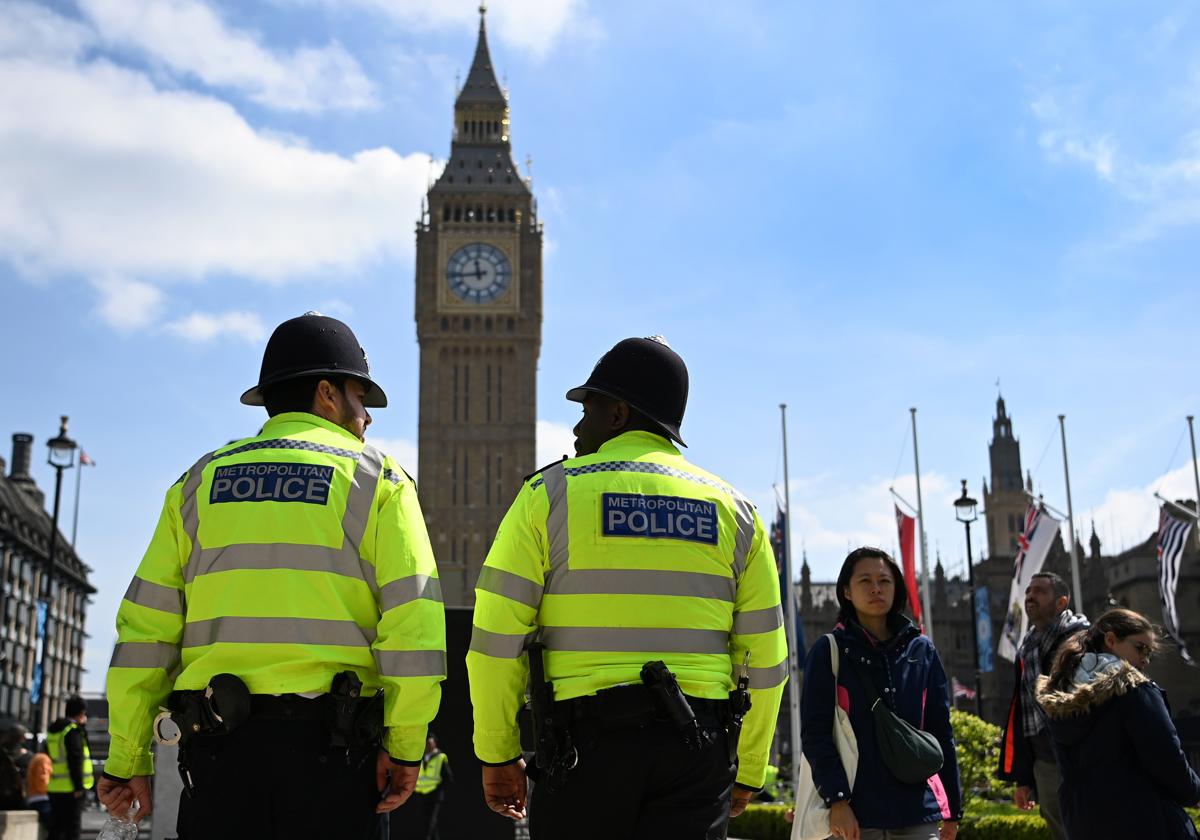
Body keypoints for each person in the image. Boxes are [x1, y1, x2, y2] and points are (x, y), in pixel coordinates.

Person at [96, 313, 447, 840]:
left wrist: (127, 758)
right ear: (326, 393)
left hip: (218, 757)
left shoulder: (198, 482)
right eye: (360, 397)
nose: (367, 417)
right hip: (336, 760)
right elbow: (413, 631)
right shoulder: (379, 480)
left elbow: (145, 632)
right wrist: (404, 747)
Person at [466, 336, 788, 840]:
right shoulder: (736, 512)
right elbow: (766, 659)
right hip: (697, 751)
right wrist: (747, 767)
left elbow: (494, 643)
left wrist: (498, 752)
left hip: (583, 749)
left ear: (617, 414)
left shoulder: (549, 495)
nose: (576, 428)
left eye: (587, 410)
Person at [800, 547, 961, 840]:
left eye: (884, 581)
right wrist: (837, 800)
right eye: (865, 581)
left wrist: (952, 809)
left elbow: (940, 730)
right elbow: (816, 733)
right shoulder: (829, 651)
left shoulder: (922, 650)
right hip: (856, 814)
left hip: (917, 810)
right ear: (846, 591)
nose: (876, 588)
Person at [1037, 608, 1200, 839]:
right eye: (1141, 648)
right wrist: (1194, 792)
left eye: (1149, 653)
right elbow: (1166, 757)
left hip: (1083, 822)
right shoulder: (1134, 691)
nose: (1145, 660)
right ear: (1111, 640)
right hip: (1141, 818)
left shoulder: (1060, 698)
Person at [995, 571, 1088, 840]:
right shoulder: (1026, 648)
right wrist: (1024, 778)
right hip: (1045, 761)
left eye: (1039, 591)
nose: (1030, 596)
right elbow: (1023, 713)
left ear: (1061, 602)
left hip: (1082, 758)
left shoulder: (1082, 640)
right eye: (1028, 591)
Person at [47, 696, 92, 840]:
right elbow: (75, 759)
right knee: (72, 829)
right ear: (81, 713)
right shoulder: (72, 731)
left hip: (55, 786)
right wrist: (78, 786)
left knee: (56, 828)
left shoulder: (54, 730)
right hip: (72, 788)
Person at [410, 732, 452, 840]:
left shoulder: (440, 757)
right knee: (428, 820)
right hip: (421, 793)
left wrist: (438, 789)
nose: (427, 746)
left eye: (429, 743)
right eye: (425, 744)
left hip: (434, 795)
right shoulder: (419, 757)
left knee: (430, 820)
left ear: (434, 744)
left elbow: (447, 777)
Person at [26, 744, 53, 831]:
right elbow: (42, 782)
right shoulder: (43, 759)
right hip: (42, 800)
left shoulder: (39, 758)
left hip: (37, 798)